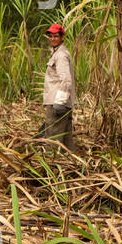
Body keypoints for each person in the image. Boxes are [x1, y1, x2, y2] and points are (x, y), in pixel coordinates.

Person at [38, 23, 77, 151]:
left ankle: (52, 167)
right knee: (66, 141)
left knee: (53, 141)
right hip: (62, 103)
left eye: (56, 36)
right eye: (50, 36)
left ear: (62, 37)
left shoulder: (61, 55)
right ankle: (72, 165)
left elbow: (66, 79)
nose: (53, 39)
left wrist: (59, 102)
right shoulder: (58, 53)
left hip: (58, 103)